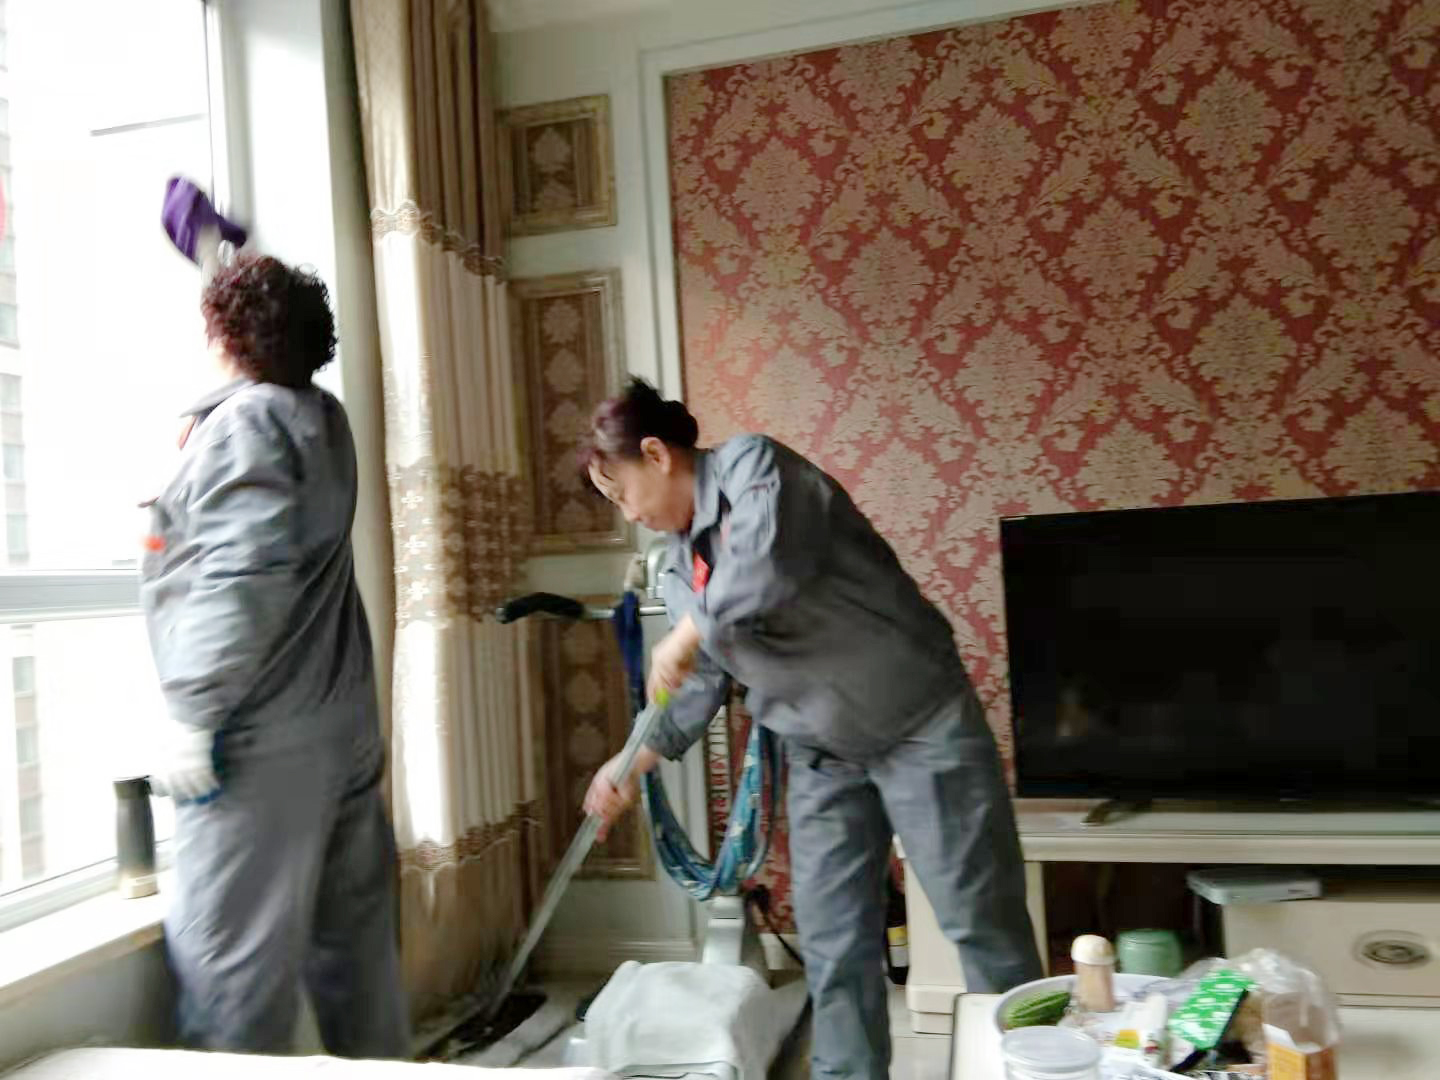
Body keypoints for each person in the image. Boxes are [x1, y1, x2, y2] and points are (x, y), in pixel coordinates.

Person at [580, 379, 1042, 1079]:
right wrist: (628, 763)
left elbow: (767, 566)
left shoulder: (755, 469)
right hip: (821, 751)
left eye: (622, 493)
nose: (629, 514)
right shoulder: (677, 565)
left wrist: (692, 629)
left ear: (656, 454)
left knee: (981, 920)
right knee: (832, 943)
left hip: (920, 725)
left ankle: (1035, 1067)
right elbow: (696, 684)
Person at [141, 253, 409, 1057]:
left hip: (262, 746)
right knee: (358, 971)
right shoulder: (319, 417)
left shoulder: (245, 425)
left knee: (231, 975)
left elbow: (242, 574)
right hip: (339, 725)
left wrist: (194, 712)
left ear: (224, 336)